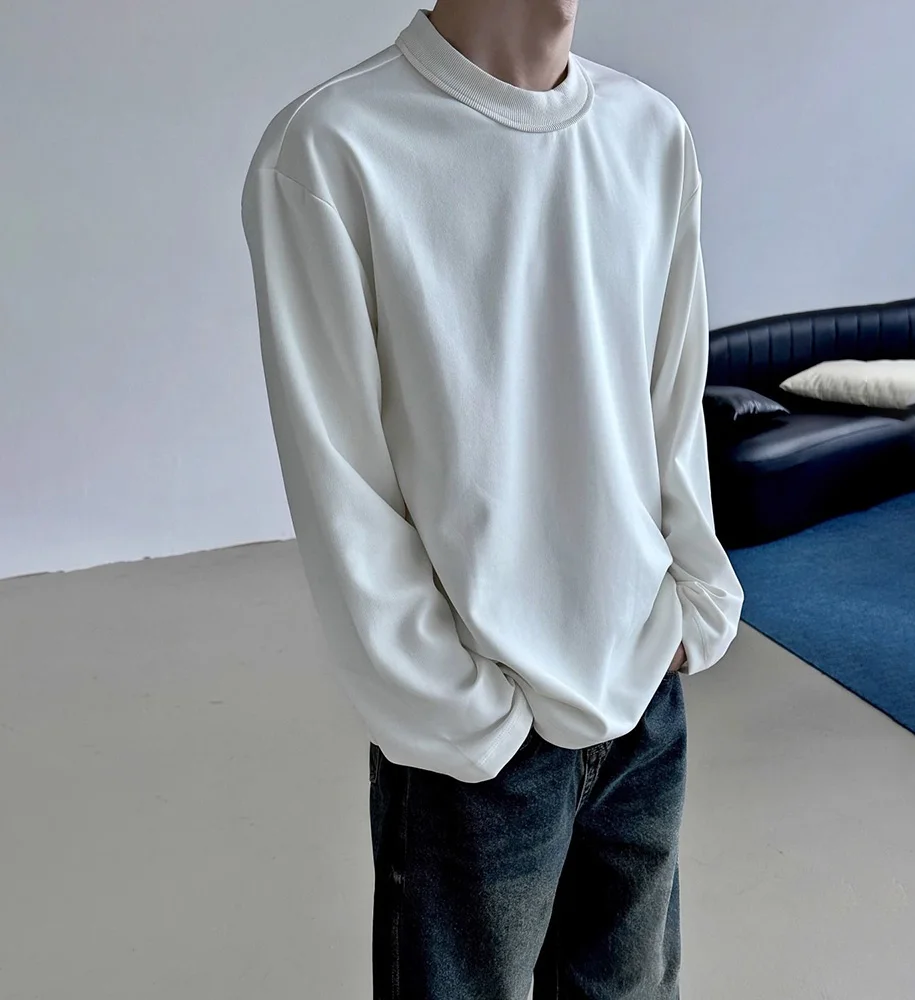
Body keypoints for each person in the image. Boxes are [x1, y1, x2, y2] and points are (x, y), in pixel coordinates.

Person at [241, 1, 744, 996]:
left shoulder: (651, 134)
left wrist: (694, 602)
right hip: (475, 753)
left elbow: (670, 404)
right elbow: (343, 485)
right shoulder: (333, 149)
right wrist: (465, 717)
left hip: (643, 700)